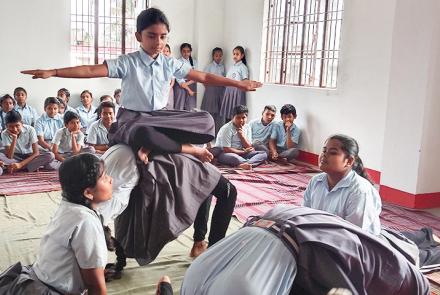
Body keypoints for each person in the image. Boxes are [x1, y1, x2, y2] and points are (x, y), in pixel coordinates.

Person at [21, 6, 260, 269]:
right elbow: (91, 70)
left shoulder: (170, 63)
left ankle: (210, 249)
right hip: (134, 123)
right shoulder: (129, 62)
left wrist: (239, 84)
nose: (158, 42)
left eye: (163, 36)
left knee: (205, 119)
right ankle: (164, 147)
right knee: (145, 133)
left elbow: (202, 76)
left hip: (162, 121)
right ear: (138, 36)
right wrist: (53, 72)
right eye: (151, 36)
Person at [180, 205, 430, 295]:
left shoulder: (400, 275)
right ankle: (425, 238)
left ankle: (426, 239)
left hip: (313, 237)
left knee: (404, 249)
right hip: (284, 222)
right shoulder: (193, 280)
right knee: (392, 242)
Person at [0, 153, 111, 294]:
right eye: (105, 177)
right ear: (88, 192)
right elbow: (95, 287)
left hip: (36, 279)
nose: (111, 180)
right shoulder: (86, 221)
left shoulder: (69, 205)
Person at [302, 134, 382, 235]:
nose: (324, 155)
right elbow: (304, 215)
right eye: (324, 151)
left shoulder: (360, 191)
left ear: (349, 161)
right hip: (319, 237)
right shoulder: (316, 181)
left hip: (354, 244)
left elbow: (354, 235)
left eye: (333, 152)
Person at [214, 105, 267, 170]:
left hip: (242, 153)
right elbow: (226, 149)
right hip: (225, 154)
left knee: (263, 154)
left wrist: (241, 136)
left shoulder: (247, 127)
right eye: (238, 118)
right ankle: (250, 163)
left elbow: (248, 146)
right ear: (232, 117)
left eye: (243, 117)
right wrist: (243, 152)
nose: (241, 120)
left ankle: (244, 164)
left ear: (247, 117)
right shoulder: (226, 128)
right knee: (234, 158)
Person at [219, 46, 249, 121]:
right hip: (229, 91)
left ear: (242, 55)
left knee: (236, 114)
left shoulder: (243, 67)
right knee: (228, 114)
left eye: (237, 54)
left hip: (237, 92)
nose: (235, 56)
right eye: (234, 54)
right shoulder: (232, 67)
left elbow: (245, 81)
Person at [201, 47, 225, 134]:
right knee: (210, 111)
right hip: (211, 91)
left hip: (220, 91)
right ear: (213, 56)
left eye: (220, 56)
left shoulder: (222, 67)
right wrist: (209, 88)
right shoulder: (209, 66)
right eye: (216, 56)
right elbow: (203, 79)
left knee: (219, 112)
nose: (218, 57)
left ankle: (217, 132)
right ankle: (208, 132)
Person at [173, 43, 197, 111]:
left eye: (188, 51)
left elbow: (196, 77)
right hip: (180, 85)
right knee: (179, 106)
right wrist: (187, 88)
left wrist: (188, 84)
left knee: (191, 107)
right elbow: (180, 80)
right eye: (184, 51)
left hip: (191, 84)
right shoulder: (178, 62)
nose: (186, 53)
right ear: (181, 51)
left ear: (190, 52)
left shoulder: (194, 62)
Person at [162, 44, 175, 109]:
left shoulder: (172, 63)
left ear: (170, 53)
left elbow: (173, 80)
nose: (165, 53)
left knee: (169, 106)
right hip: (160, 88)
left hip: (169, 88)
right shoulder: (157, 63)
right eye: (163, 51)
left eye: (167, 51)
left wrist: (169, 87)